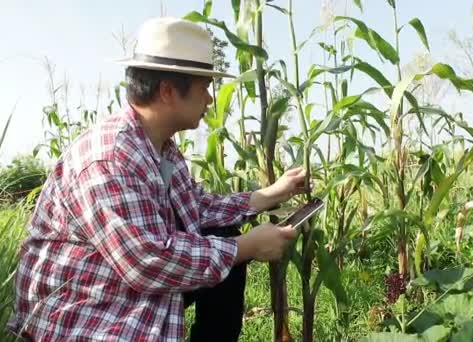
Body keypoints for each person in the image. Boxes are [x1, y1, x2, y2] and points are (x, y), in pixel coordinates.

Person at [8, 17, 306, 341]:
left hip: (117, 281)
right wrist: (248, 247)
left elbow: (196, 208)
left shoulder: (160, 147)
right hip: (86, 311)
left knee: (224, 238)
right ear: (167, 91)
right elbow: (146, 261)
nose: (209, 100)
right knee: (232, 249)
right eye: (204, 88)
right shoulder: (109, 158)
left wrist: (267, 195)